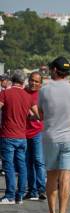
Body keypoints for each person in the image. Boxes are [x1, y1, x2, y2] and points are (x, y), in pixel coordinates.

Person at [37, 57, 70, 213]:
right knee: (66, 177)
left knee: (52, 175)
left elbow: (41, 115)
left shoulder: (45, 90)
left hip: (51, 136)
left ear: (55, 70)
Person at [0, 70, 35, 205]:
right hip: (22, 136)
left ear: (12, 80)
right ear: (23, 81)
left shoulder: (5, 93)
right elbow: (35, 115)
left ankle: (9, 195)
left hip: (7, 135)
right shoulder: (27, 96)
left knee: (8, 166)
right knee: (22, 166)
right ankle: (19, 195)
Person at [24, 72, 46, 201]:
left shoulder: (42, 95)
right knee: (28, 162)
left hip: (38, 132)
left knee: (38, 161)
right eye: (32, 80)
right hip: (23, 132)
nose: (33, 83)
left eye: (36, 81)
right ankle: (31, 190)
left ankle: (41, 189)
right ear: (28, 80)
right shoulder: (23, 93)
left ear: (40, 84)